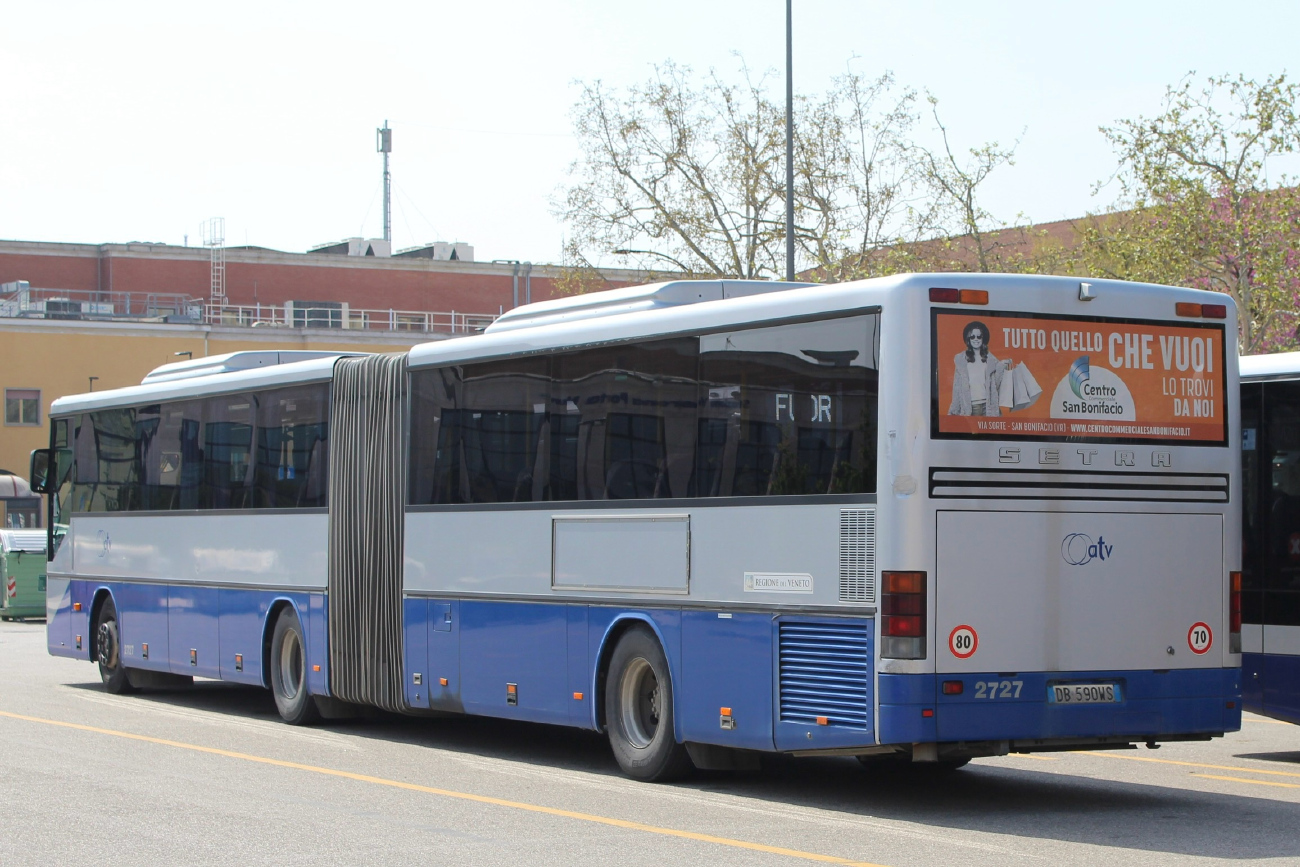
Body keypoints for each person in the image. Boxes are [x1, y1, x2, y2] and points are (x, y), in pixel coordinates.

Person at [948, 321, 1010, 416]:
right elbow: (957, 388)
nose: (976, 339)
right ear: (968, 339)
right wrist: (953, 412)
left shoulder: (991, 360)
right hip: (971, 408)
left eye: (979, 336)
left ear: (983, 338)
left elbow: (995, 386)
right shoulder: (961, 360)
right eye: (972, 337)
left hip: (988, 407)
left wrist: (1001, 366)